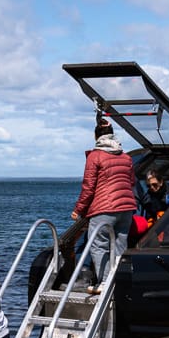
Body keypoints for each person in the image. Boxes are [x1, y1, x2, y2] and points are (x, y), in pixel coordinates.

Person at [70, 116, 136, 294]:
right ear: (113, 136)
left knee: (98, 245)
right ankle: (117, 281)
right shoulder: (126, 157)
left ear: (96, 136)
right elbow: (131, 181)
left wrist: (79, 210)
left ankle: (105, 283)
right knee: (120, 245)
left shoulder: (95, 156)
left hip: (104, 208)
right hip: (127, 207)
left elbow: (88, 187)